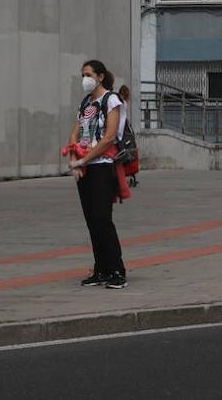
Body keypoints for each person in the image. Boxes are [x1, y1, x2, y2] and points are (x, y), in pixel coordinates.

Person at [63, 60, 128, 290]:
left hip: (102, 165)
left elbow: (109, 137)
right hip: (85, 167)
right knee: (91, 220)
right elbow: (76, 131)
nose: (85, 79)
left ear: (100, 77)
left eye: (88, 74)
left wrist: (85, 159)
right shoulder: (86, 102)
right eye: (82, 75)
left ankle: (117, 270)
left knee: (102, 219)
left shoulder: (112, 100)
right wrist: (74, 159)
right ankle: (100, 269)